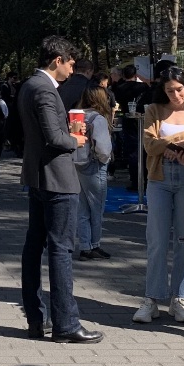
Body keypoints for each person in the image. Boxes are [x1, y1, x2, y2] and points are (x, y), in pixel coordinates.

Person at [19, 35, 104, 344]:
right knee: (61, 249)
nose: (72, 69)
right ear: (57, 60)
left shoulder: (31, 86)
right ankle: (65, 324)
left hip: (39, 177)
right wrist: (77, 140)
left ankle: (36, 318)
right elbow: (55, 139)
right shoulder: (43, 89)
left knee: (35, 247)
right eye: (70, 62)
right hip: (56, 179)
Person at [134, 68, 184, 324]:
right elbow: (149, 144)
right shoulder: (154, 110)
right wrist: (181, 142)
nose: (176, 95)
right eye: (170, 90)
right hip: (159, 178)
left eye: (179, 89)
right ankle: (151, 298)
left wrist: (170, 143)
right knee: (156, 239)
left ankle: (179, 298)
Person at [75, 85, 113, 261]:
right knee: (96, 207)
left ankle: (84, 245)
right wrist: (104, 159)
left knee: (82, 207)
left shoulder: (76, 116)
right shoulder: (98, 119)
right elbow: (103, 148)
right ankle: (94, 244)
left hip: (77, 163)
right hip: (94, 164)